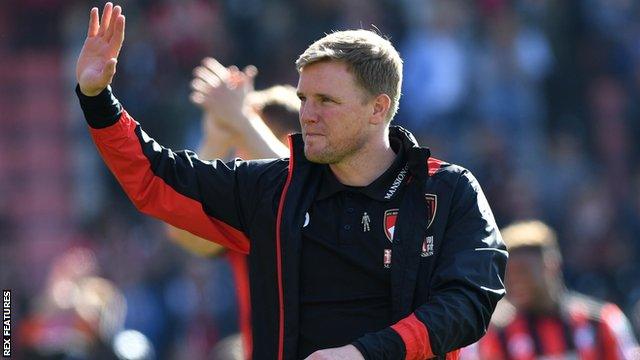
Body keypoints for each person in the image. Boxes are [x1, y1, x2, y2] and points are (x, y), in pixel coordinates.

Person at [75, 3, 507, 359]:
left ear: (378, 108)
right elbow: (157, 177)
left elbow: (469, 301)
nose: (308, 114)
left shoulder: (449, 190)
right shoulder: (271, 187)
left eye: (326, 101)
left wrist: (364, 354)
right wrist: (98, 100)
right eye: (304, 98)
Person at [167, 56, 300, 360]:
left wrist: (241, 120)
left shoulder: (331, 195)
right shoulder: (248, 212)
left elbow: (298, 182)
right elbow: (182, 231)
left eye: (251, 140)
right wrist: (216, 138)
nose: (239, 158)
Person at [462, 220, 640, 360]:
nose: (515, 281)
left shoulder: (601, 322)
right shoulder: (495, 336)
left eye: (523, 271)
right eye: (507, 275)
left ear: (552, 266)